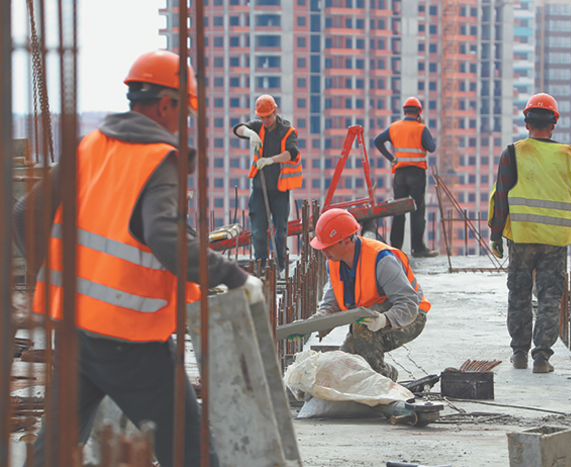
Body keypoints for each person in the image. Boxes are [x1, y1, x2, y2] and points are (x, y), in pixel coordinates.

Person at [13, 50, 264, 467]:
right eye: (183, 111)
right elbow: (168, 239)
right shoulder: (157, 158)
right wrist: (235, 277)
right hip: (127, 338)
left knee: (54, 450)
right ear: (166, 104)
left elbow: (25, 214)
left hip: (75, 326)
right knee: (190, 449)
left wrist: (53, 280)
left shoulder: (89, 145)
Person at [488, 92, 571, 374]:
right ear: (554, 123)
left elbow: (500, 196)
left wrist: (496, 234)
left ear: (527, 123)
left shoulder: (513, 152)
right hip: (555, 240)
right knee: (550, 297)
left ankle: (519, 353)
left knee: (519, 294)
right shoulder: (568, 156)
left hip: (521, 238)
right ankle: (542, 358)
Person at [308, 208, 430, 381]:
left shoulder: (381, 260)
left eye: (328, 246)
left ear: (347, 241)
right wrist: (318, 320)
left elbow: (409, 305)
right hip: (368, 318)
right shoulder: (335, 262)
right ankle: (387, 373)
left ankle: (382, 378)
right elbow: (333, 301)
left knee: (362, 330)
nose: (323, 251)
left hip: (411, 317)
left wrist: (385, 320)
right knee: (345, 362)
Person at [232, 95, 302, 274]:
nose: (265, 120)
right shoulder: (258, 127)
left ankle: (281, 266)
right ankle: (261, 266)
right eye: (262, 117)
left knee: (280, 232)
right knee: (258, 232)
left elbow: (292, 152)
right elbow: (238, 128)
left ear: (275, 112)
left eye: (268, 116)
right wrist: (249, 133)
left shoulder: (287, 130)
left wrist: (271, 160)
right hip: (259, 188)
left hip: (279, 191)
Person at [374, 97, 438, 258]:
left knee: (399, 210)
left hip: (400, 173)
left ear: (404, 111)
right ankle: (418, 248)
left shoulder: (394, 127)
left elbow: (377, 141)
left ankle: (395, 248)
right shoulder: (420, 128)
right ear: (418, 113)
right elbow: (431, 148)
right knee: (417, 210)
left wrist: (392, 159)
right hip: (416, 173)